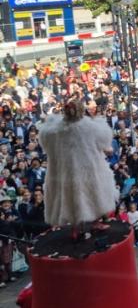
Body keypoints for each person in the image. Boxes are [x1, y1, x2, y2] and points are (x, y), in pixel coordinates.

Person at [38, 99, 118, 233]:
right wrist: (97, 120)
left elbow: (44, 141)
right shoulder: (90, 127)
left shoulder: (55, 129)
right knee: (94, 193)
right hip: (89, 169)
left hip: (64, 171)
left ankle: (75, 229)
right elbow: (105, 141)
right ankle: (96, 223)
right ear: (82, 111)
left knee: (69, 197)